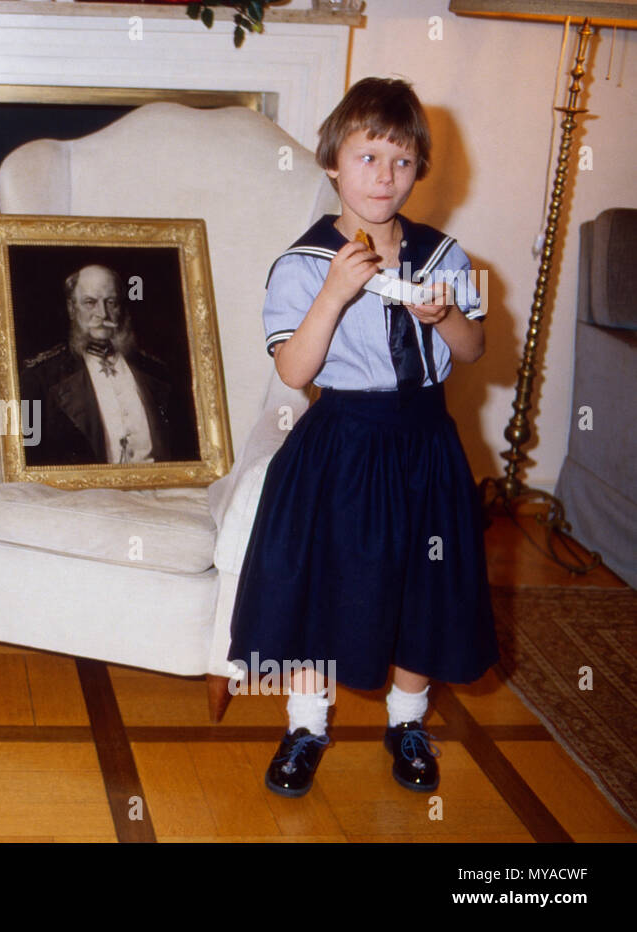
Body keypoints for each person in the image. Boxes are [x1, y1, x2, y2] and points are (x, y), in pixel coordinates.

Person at [228, 77, 498, 798]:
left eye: (401, 162)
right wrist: (333, 295)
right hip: (341, 445)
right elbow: (293, 369)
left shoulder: (445, 256)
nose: (384, 177)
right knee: (326, 586)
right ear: (333, 165)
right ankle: (306, 723)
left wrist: (444, 318)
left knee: (422, 582)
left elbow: (472, 353)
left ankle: (408, 720)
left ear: (419, 171)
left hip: (424, 444)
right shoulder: (303, 262)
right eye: (368, 157)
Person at [21, 264, 195, 466]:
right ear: (72, 308)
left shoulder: (157, 373)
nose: (102, 314)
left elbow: (186, 452)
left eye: (111, 302)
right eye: (90, 302)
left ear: (121, 307)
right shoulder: (41, 378)